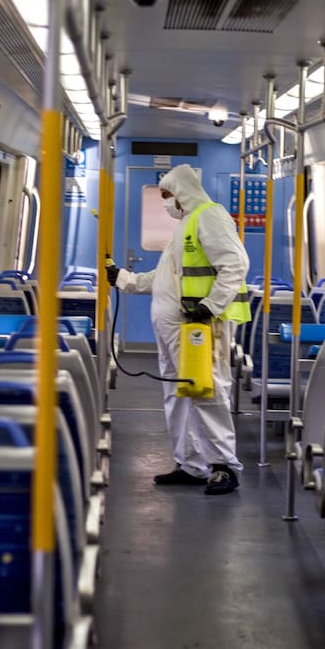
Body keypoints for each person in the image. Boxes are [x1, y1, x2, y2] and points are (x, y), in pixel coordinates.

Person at [106, 164, 251, 495]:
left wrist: (209, 306)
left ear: (182, 192)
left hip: (200, 326)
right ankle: (191, 464)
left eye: (167, 195)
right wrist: (124, 279)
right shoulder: (185, 226)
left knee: (206, 390)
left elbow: (236, 264)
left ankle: (224, 465)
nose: (165, 202)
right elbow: (165, 278)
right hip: (176, 329)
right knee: (177, 394)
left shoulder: (209, 216)